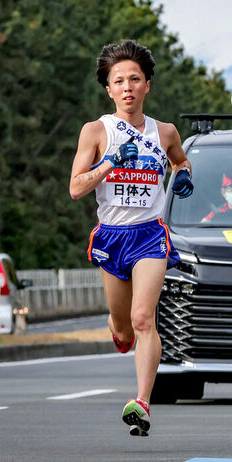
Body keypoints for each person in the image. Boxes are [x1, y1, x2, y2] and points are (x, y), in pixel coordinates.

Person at [69, 40, 193, 436]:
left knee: (144, 318)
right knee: (124, 329)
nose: (127, 87)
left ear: (147, 86)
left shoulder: (166, 130)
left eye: (134, 80)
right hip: (112, 236)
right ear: (108, 89)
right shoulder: (96, 131)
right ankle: (118, 329)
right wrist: (108, 163)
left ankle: (142, 402)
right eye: (118, 81)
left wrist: (184, 174)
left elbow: (179, 159)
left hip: (150, 235)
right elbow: (75, 188)